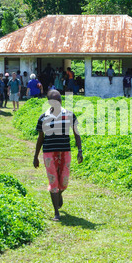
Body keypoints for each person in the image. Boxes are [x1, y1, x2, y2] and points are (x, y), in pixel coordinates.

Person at [33, 89, 83, 221]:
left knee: (64, 182)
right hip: (49, 153)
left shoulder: (70, 115)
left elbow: (77, 133)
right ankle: (56, 212)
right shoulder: (43, 117)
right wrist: (35, 156)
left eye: (59, 100)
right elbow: (40, 138)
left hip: (65, 152)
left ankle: (59, 193)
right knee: (53, 181)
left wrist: (80, 150)